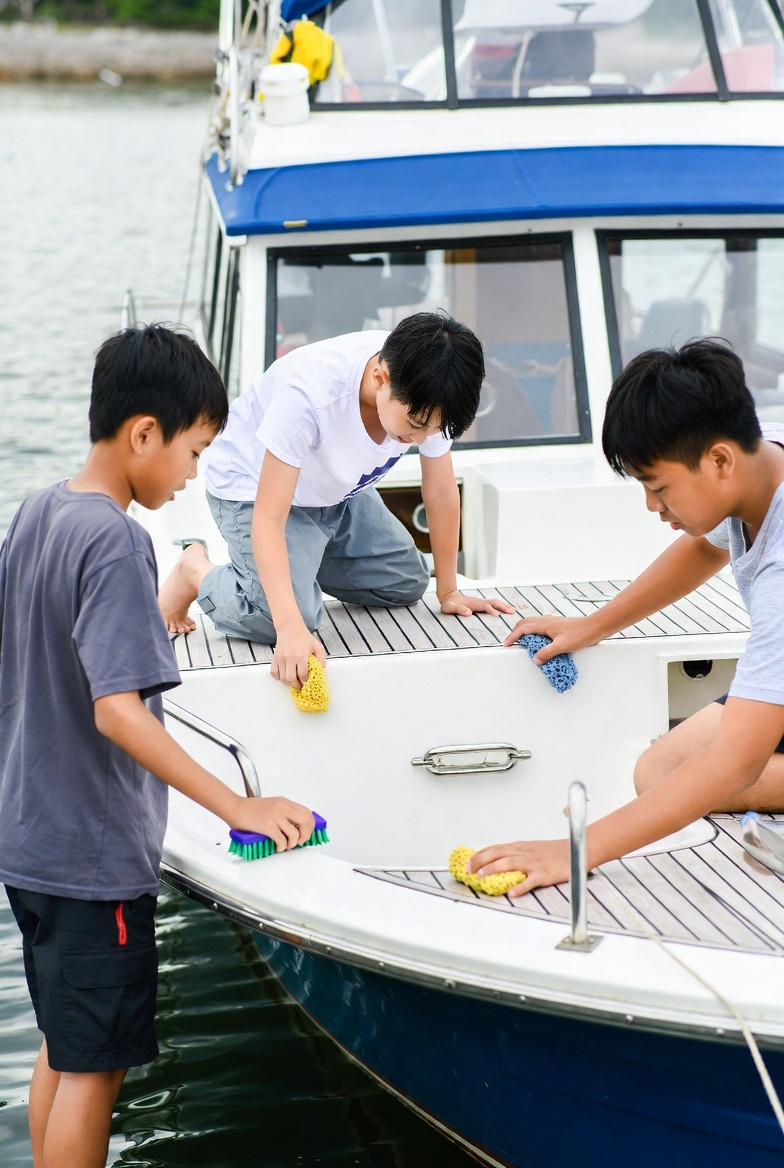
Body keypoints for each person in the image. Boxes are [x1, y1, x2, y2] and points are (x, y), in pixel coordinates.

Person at [0, 324, 315, 1168]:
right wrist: (237, 805)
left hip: (30, 843)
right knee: (96, 1072)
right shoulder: (113, 538)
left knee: (63, 1051)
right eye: (193, 451)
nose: (189, 478)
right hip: (93, 858)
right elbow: (119, 711)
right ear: (144, 432)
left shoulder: (38, 512)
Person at [469, 339, 784, 895]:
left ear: (719, 461)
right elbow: (706, 547)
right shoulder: (761, 470)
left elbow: (737, 763)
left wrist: (577, 851)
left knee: (717, 767)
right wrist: (593, 624)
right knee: (657, 772)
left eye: (658, 487)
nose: (650, 506)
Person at [159, 311, 514, 688]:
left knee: (407, 582)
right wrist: (290, 626)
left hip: (336, 491)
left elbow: (441, 491)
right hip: (253, 488)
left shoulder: (433, 392)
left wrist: (449, 591)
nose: (424, 437)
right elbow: (268, 518)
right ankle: (195, 569)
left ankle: (304, 561)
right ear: (380, 379)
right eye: (414, 426)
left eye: (433, 430)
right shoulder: (309, 396)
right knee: (280, 619)